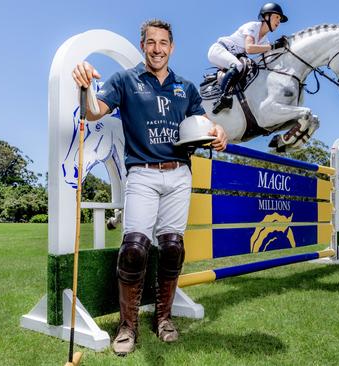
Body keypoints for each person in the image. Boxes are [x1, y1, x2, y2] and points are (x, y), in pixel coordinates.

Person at [72, 19, 227, 356]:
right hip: (141, 173)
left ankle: (164, 318)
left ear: (171, 47)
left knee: (172, 247)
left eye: (163, 43)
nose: (157, 49)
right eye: (151, 42)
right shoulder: (125, 81)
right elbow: (92, 111)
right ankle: (127, 326)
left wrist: (218, 131)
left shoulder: (185, 88)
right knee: (134, 249)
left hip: (179, 174)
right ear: (143, 46)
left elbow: (203, 123)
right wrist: (84, 83)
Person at [208, 2, 289, 113]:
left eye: (280, 19)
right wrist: (273, 46)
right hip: (219, 50)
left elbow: (266, 61)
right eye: (277, 17)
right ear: (266, 16)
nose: (279, 21)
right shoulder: (253, 26)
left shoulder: (265, 40)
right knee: (238, 65)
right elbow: (249, 48)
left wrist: (281, 49)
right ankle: (223, 98)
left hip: (231, 57)